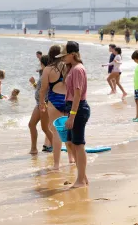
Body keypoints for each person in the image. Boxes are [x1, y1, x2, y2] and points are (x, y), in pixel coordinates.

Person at [56, 41, 90, 188]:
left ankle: (81, 180)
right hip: (74, 107)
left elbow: (77, 94)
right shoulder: (73, 68)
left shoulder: (77, 69)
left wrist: (72, 115)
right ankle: (83, 177)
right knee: (70, 143)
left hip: (78, 108)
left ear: (72, 54)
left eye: (64, 55)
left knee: (78, 144)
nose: (63, 58)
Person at [40, 45, 75, 169]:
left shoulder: (48, 69)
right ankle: (71, 158)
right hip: (68, 99)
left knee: (56, 132)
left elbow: (43, 88)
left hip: (54, 100)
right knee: (68, 129)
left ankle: (56, 164)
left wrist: (41, 103)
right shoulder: (69, 67)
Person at [28, 55, 54, 154]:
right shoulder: (44, 74)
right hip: (39, 103)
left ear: (43, 64)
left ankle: (56, 148)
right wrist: (34, 83)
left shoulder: (46, 75)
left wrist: (43, 103)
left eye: (41, 63)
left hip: (44, 104)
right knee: (31, 124)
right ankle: (33, 149)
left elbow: (44, 90)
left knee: (45, 128)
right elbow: (40, 90)